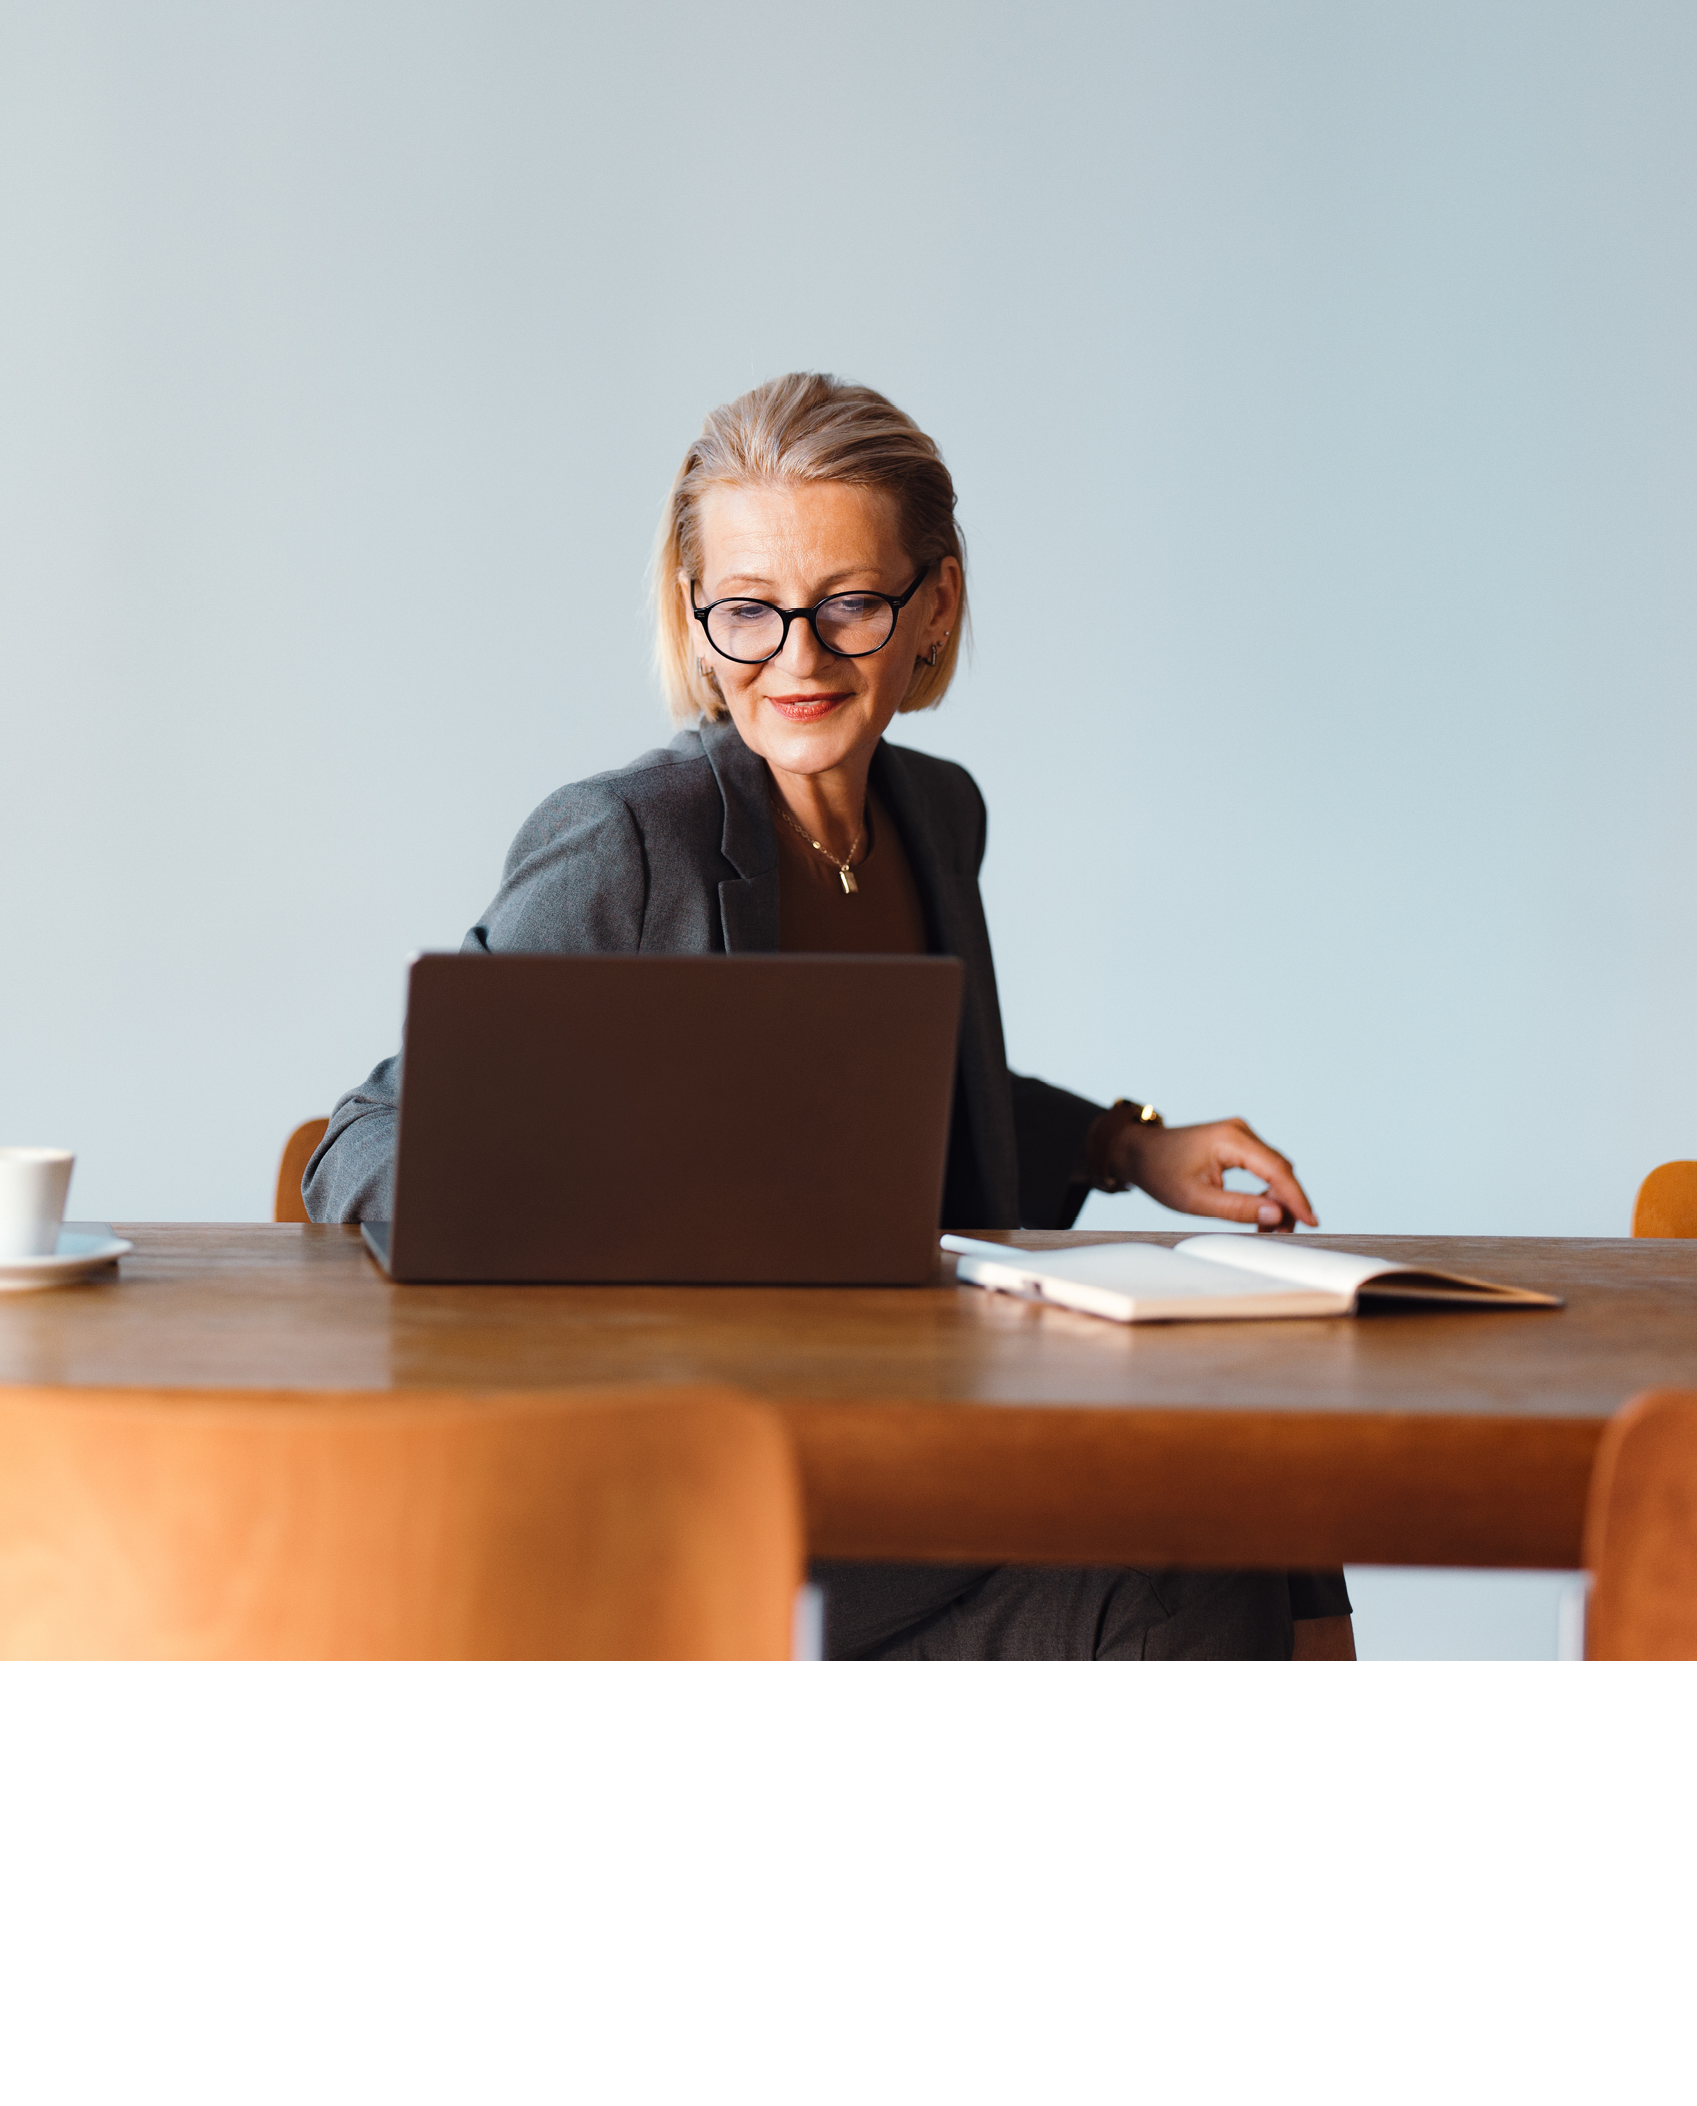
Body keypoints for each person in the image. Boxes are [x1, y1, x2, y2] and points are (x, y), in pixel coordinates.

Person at [307, 373, 1355, 1661]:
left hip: (919, 1452)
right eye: (748, 611)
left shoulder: (938, 814)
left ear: (936, 608)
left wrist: (1124, 1150)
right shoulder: (635, 843)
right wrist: (608, 1234)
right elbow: (361, 1136)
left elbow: (884, 1102)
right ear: (696, 622)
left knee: (1269, 1476)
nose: (796, 660)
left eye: (850, 605)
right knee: (1196, 1568)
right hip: (728, 1521)